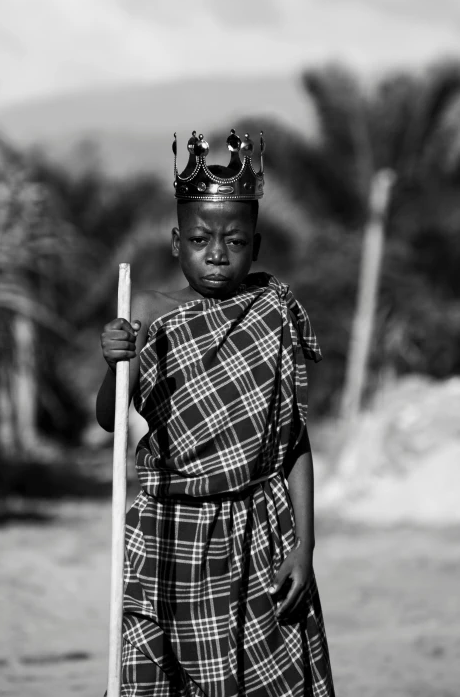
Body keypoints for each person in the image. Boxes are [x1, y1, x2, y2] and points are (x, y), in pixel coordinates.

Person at [97, 130, 335, 696]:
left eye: (234, 241)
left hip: (261, 526)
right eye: (201, 239)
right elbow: (110, 421)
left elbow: (293, 440)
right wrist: (114, 364)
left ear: (257, 244)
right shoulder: (152, 322)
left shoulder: (273, 311)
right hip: (169, 531)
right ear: (177, 242)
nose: (217, 255)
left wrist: (305, 544)